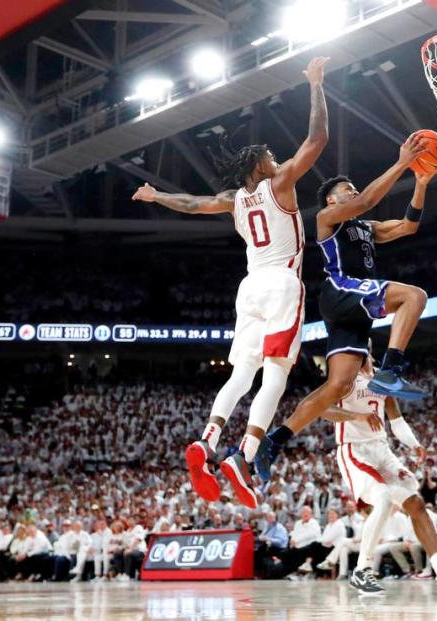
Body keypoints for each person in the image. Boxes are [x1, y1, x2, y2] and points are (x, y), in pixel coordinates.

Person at [131, 57, 330, 509]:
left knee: (242, 373)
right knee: (276, 377)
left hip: (248, 287)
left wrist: (156, 195)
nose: (276, 158)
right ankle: (245, 455)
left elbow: (192, 203)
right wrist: (316, 86)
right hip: (281, 282)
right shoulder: (278, 184)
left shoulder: (232, 199)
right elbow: (317, 140)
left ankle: (207, 439)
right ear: (259, 165)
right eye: (270, 156)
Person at [254, 135, 437, 479]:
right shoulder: (328, 218)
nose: (352, 192)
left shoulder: (367, 228)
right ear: (331, 199)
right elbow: (367, 200)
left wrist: (421, 183)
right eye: (346, 189)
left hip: (352, 306)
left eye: (353, 188)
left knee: (338, 385)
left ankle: (275, 440)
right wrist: (401, 163)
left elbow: (409, 226)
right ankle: (390, 370)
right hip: (342, 289)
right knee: (415, 296)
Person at [318, 352, 437, 595]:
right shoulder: (345, 376)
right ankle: (362, 570)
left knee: (416, 504)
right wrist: (357, 416)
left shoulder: (382, 380)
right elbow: (323, 409)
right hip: (354, 449)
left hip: (382, 449)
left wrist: (415, 444)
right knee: (381, 499)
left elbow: (397, 421)